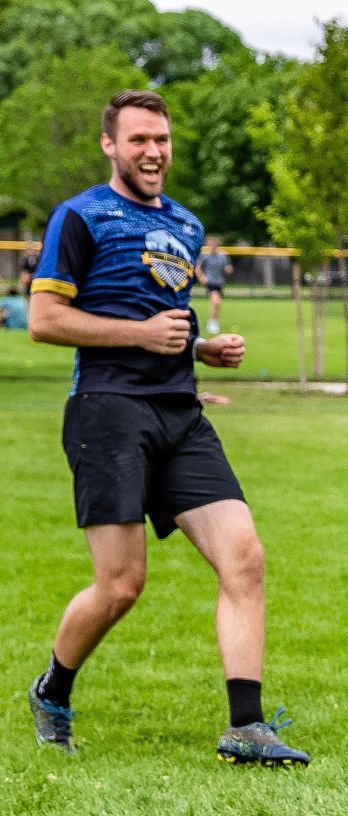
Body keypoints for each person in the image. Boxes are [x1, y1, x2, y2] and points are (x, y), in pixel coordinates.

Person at [25, 89, 306, 764]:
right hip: (107, 409)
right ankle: (53, 689)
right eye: (139, 139)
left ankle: (246, 727)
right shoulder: (80, 217)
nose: (153, 151)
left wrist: (200, 347)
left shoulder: (185, 223)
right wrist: (142, 334)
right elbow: (45, 321)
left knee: (245, 556)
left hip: (181, 412)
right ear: (111, 145)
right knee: (121, 585)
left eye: (162, 140)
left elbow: (164, 314)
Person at [195, 234, 231, 335]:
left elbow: (228, 267)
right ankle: (212, 323)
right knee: (215, 302)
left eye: (214, 244)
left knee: (217, 304)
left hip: (219, 282)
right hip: (210, 282)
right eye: (211, 244)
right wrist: (202, 277)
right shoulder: (205, 255)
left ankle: (213, 320)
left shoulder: (223, 255)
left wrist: (228, 269)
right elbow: (197, 268)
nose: (213, 246)